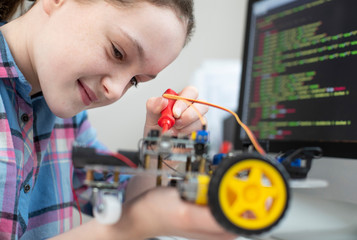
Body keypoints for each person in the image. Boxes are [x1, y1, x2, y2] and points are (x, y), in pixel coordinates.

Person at [0, 0, 238, 239]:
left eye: (134, 80)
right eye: (117, 52)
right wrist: (136, 222)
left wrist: (157, 158)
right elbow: (131, 215)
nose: (115, 91)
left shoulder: (69, 118)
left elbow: (119, 199)